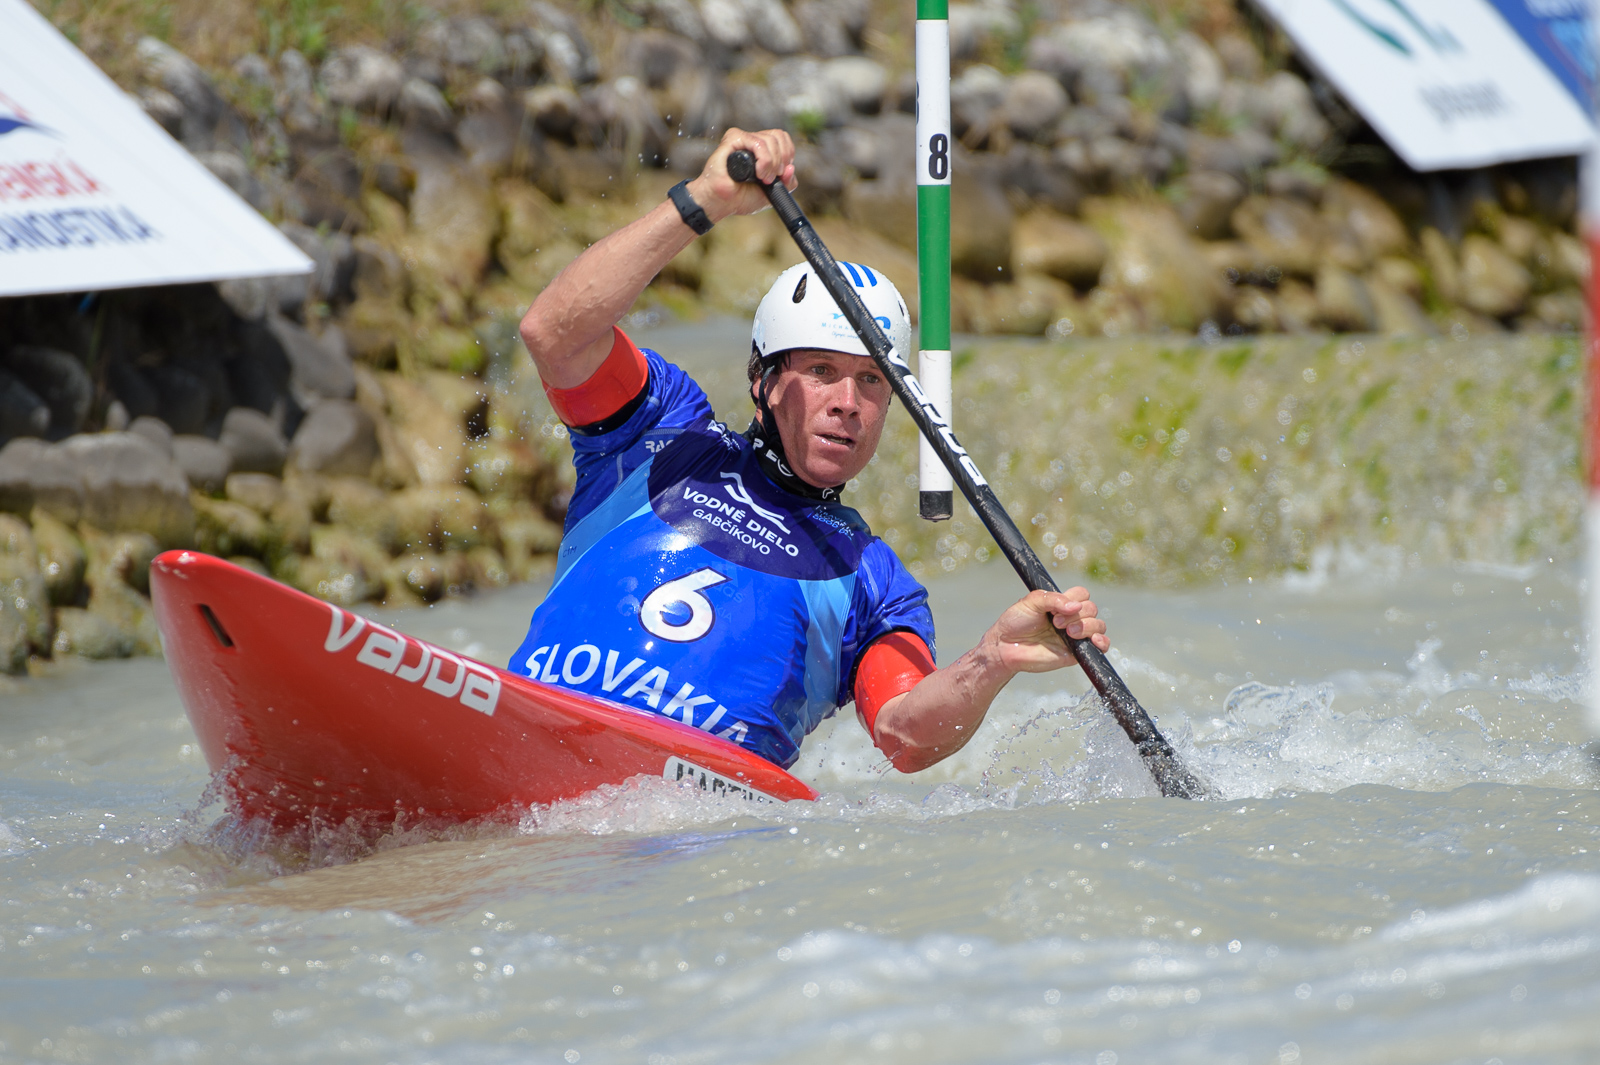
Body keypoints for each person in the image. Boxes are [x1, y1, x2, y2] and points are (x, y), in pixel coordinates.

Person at [511, 127, 1108, 774]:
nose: (848, 401)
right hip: (530, 732)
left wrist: (995, 655)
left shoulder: (871, 582)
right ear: (763, 382)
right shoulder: (659, 434)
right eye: (821, 371)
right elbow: (555, 334)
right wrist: (703, 202)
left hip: (684, 826)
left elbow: (905, 734)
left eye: (872, 381)